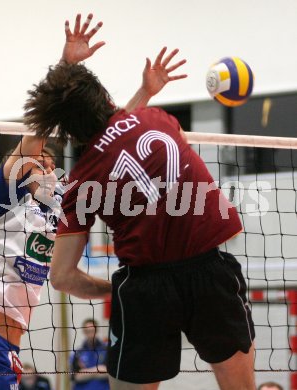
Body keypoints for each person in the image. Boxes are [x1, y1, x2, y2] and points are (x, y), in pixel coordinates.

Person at [23, 18, 256, 390]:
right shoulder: (158, 120)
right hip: (210, 273)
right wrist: (141, 91)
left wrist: (111, 289)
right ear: (105, 96)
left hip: (144, 290)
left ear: (66, 130)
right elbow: (121, 134)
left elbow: (62, 277)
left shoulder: (81, 182)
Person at [0, 14, 105, 389]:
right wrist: (67, 67)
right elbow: (34, 136)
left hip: (7, 348)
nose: (44, 164)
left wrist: (145, 95)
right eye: (36, 161)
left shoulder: (57, 212)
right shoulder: (2, 201)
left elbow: (110, 142)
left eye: (50, 161)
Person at [70, 319, 109, 390]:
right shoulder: (77, 353)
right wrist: (99, 369)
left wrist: (85, 372)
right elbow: (76, 377)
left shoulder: (107, 350)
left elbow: (109, 373)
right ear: (84, 332)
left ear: (96, 331)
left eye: (92, 331)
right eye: (88, 331)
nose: (91, 334)